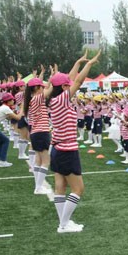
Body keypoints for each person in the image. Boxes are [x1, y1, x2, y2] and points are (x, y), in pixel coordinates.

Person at [48, 50, 101, 234]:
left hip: (57, 149)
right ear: (63, 87)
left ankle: (64, 223)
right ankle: (63, 224)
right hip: (66, 150)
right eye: (66, 85)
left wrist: (78, 63)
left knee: (60, 187)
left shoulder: (55, 99)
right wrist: (89, 64)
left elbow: (70, 79)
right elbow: (77, 81)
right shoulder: (62, 100)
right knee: (78, 189)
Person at [23, 76, 53, 195]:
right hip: (41, 132)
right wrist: (54, 77)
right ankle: (38, 188)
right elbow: (50, 89)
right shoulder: (37, 98)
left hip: (36, 133)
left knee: (38, 161)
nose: (43, 89)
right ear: (36, 88)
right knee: (45, 161)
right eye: (41, 87)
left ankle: (38, 186)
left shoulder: (31, 100)